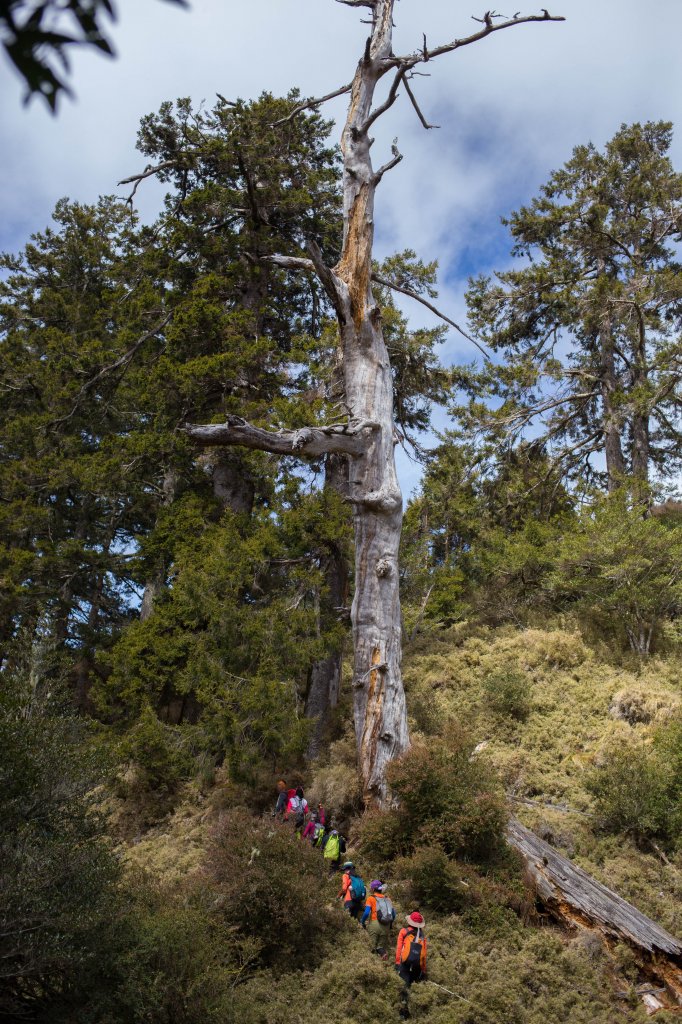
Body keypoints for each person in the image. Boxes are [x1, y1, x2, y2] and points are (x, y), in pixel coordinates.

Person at [361, 880, 395, 957]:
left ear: (373, 889)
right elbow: (393, 914)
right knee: (380, 947)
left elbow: (366, 913)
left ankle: (372, 962)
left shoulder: (371, 898)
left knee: (371, 945)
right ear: (381, 889)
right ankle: (383, 954)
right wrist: (390, 925)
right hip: (386, 925)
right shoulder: (388, 899)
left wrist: (362, 922)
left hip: (375, 924)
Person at [395, 912, 427, 987]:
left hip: (405, 962)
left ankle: (404, 997)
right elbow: (424, 955)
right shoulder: (422, 937)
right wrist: (423, 970)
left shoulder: (403, 931)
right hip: (417, 965)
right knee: (412, 985)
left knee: (403, 984)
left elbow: (399, 948)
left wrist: (397, 963)